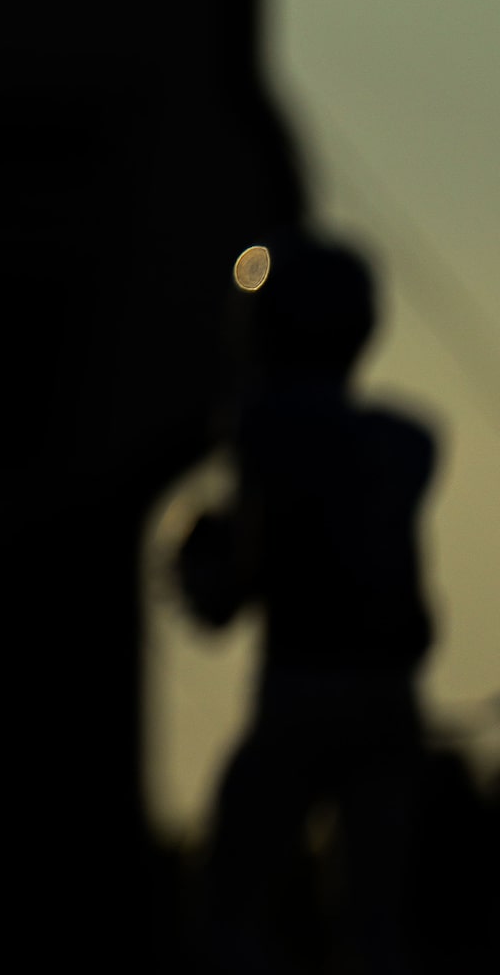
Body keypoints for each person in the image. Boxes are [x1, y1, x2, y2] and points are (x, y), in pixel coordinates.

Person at [179, 231, 436, 975]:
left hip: (300, 690)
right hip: (391, 705)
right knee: (375, 923)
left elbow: (235, 584)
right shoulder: (408, 443)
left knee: (228, 906)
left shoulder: (264, 426)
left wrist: (206, 567)